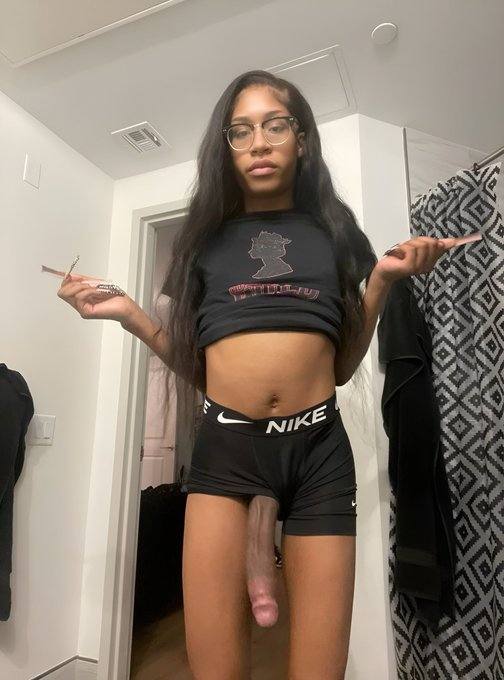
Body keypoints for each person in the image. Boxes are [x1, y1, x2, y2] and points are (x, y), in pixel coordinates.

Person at [57, 69, 448, 679]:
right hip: (226, 450)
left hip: (319, 452)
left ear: (302, 139)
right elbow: (198, 368)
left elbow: (342, 367)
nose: (258, 142)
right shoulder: (203, 241)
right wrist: (130, 314)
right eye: (240, 131)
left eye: (274, 125)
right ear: (227, 147)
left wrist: (379, 283)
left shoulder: (335, 232)